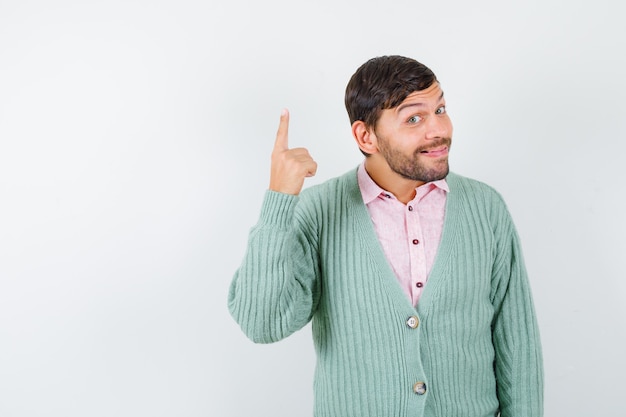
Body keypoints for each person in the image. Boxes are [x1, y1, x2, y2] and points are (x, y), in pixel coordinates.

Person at [228, 55, 543, 417]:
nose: (438, 130)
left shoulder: (485, 208)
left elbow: (517, 345)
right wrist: (279, 201)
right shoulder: (317, 212)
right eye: (414, 118)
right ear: (366, 136)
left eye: (440, 109)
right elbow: (261, 323)